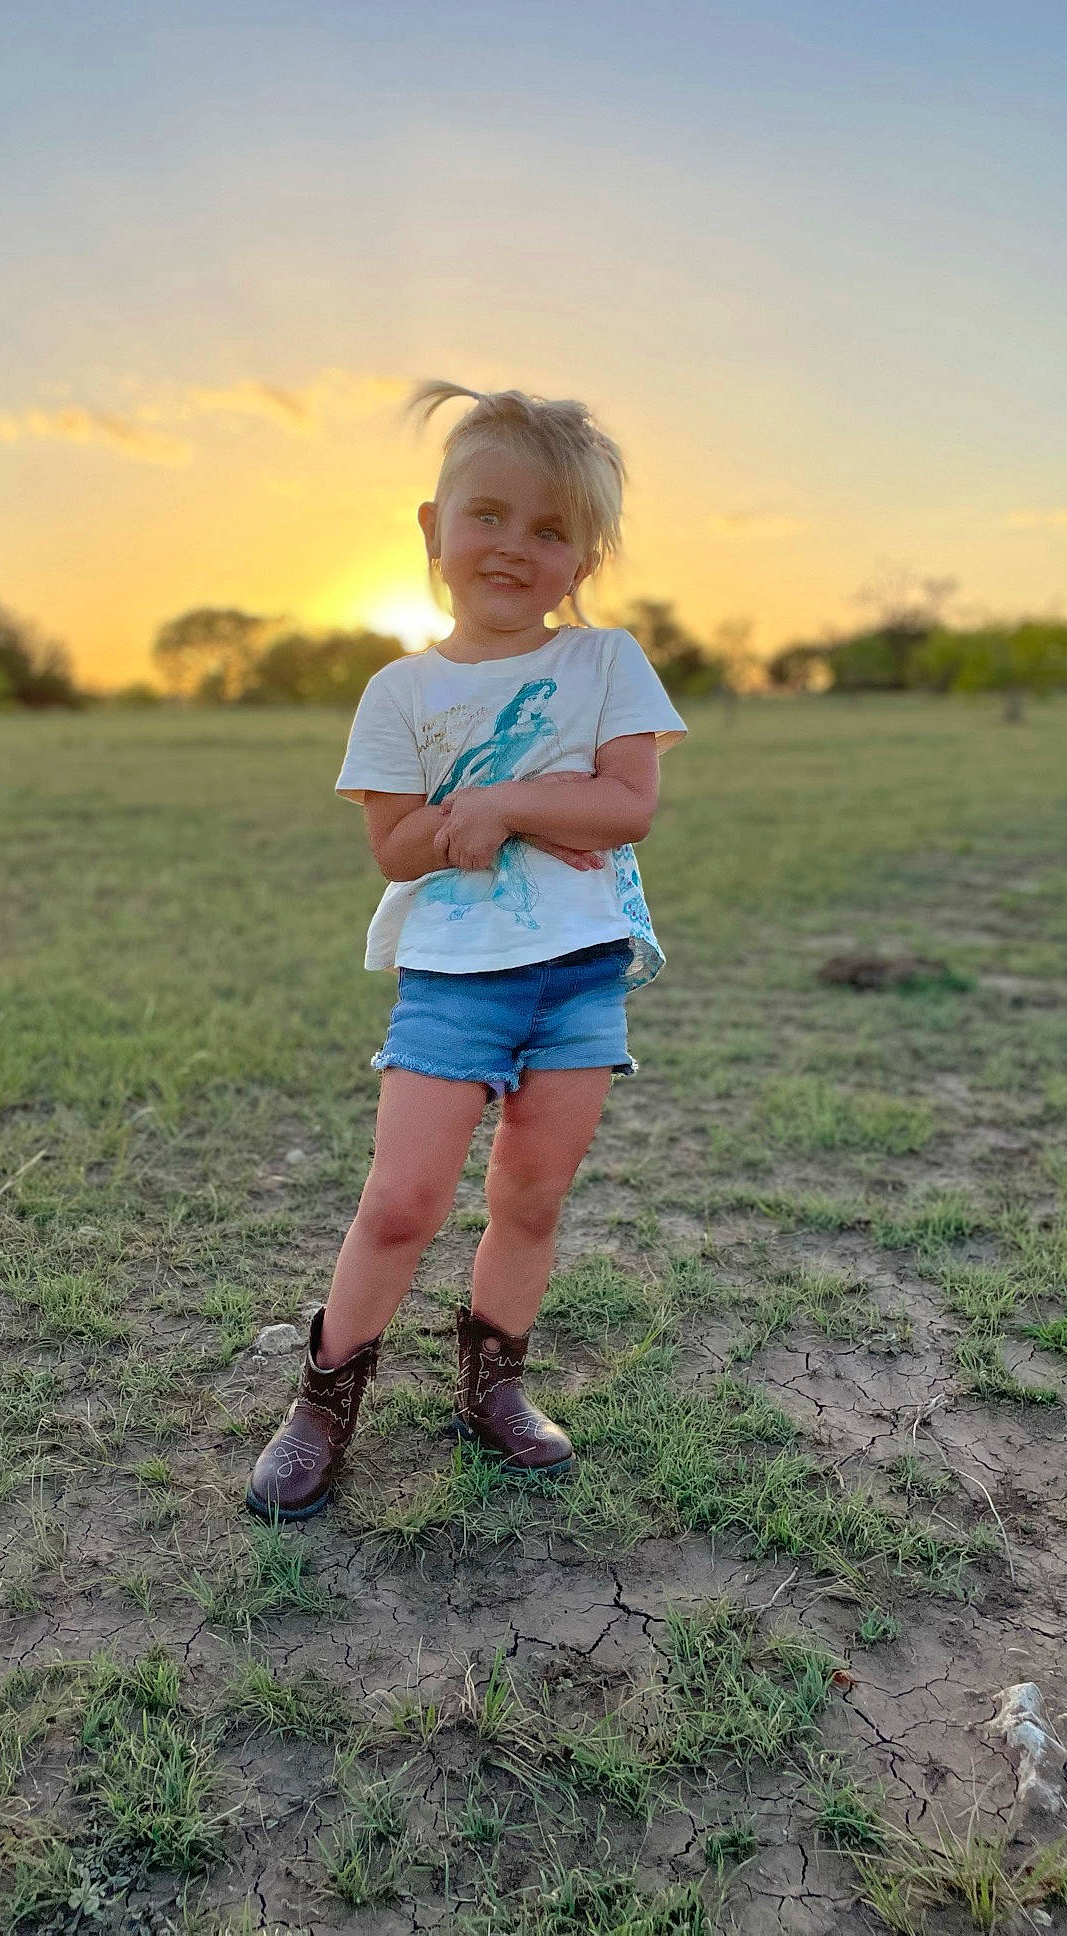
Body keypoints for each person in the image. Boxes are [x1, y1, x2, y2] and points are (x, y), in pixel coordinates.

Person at [245, 381, 688, 1519]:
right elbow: (396, 846)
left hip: (579, 977)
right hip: (451, 978)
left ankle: (493, 1384)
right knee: (402, 1199)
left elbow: (629, 803)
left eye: (551, 530)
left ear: (583, 558)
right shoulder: (401, 691)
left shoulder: (605, 666)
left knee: (531, 1197)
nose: (514, 546)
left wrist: (503, 800)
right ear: (431, 528)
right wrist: (524, 808)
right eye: (488, 514)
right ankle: (322, 1403)